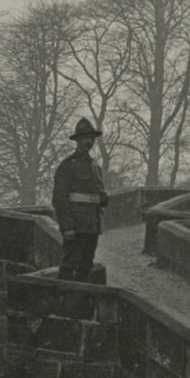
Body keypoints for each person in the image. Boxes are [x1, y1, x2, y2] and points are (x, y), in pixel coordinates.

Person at [52, 118, 109, 281]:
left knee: (86, 266)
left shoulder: (94, 166)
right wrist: (67, 227)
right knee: (68, 266)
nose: (89, 142)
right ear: (77, 140)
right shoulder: (68, 166)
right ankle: (62, 302)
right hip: (76, 226)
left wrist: (102, 199)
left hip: (92, 225)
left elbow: (96, 195)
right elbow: (59, 199)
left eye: (91, 138)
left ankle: (80, 303)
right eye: (85, 138)